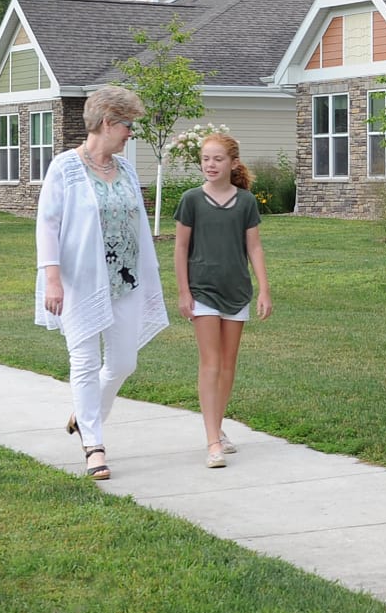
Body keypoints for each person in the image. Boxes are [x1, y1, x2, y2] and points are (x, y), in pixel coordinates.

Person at [35, 84, 169, 481]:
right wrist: (52, 279)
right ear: (108, 122)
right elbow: (48, 224)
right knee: (85, 361)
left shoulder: (126, 169)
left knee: (124, 361)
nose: (131, 133)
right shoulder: (65, 167)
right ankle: (94, 445)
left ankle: (84, 414)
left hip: (125, 280)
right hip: (79, 281)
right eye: (128, 125)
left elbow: (137, 224)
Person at [173, 132, 271, 468]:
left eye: (217, 159)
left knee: (228, 366)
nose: (210, 165)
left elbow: (254, 247)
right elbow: (181, 248)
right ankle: (213, 441)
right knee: (211, 364)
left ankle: (217, 425)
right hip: (203, 290)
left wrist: (264, 289)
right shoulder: (191, 200)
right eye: (205, 159)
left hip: (236, 291)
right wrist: (184, 291)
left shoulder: (246, 202)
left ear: (233, 162)